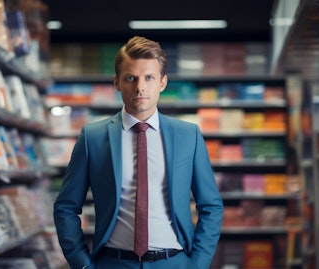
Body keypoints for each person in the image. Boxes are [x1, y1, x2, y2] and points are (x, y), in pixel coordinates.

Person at [53, 36, 223, 269]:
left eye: (149, 78)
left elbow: (211, 206)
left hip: (174, 262)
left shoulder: (188, 136)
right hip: (112, 263)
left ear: (162, 82)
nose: (140, 87)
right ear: (116, 82)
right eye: (130, 78)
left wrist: (198, 264)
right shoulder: (92, 137)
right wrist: (82, 263)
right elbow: (66, 207)